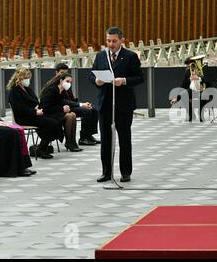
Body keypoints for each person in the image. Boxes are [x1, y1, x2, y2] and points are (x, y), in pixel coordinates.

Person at [89, 27, 144, 183]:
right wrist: (96, 80)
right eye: (108, 41)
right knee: (105, 140)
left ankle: (125, 172)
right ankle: (106, 172)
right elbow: (91, 74)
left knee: (124, 139)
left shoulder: (130, 56)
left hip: (123, 104)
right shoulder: (101, 56)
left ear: (121, 40)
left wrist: (124, 81)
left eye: (114, 41)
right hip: (105, 103)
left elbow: (139, 78)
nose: (111, 44)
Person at [7, 68, 63, 159]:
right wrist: (35, 112)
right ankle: (42, 148)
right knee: (51, 123)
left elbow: (35, 101)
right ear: (19, 78)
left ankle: (41, 147)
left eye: (29, 78)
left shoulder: (27, 89)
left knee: (56, 119)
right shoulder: (14, 92)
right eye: (26, 78)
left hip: (33, 115)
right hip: (23, 118)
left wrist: (38, 109)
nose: (28, 80)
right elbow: (19, 109)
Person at [54, 63, 100, 146]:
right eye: (62, 73)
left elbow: (72, 99)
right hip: (63, 108)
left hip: (71, 105)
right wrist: (81, 105)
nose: (64, 75)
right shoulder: (55, 85)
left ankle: (89, 135)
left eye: (66, 73)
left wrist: (83, 103)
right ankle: (83, 138)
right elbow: (63, 101)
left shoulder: (67, 83)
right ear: (56, 73)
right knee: (86, 111)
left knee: (94, 110)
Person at [39, 72, 83, 152]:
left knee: (72, 114)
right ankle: (69, 142)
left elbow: (61, 103)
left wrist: (65, 107)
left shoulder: (61, 91)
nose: (69, 84)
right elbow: (47, 108)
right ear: (61, 81)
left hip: (55, 112)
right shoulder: (51, 90)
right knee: (69, 116)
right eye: (67, 81)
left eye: (70, 82)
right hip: (47, 113)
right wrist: (62, 109)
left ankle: (72, 142)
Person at [170, 57, 210, 122]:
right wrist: (177, 98)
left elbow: (208, 81)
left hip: (202, 90)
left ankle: (201, 115)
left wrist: (198, 78)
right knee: (183, 94)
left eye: (188, 65)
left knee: (203, 96)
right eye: (187, 65)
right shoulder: (188, 71)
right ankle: (191, 114)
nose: (188, 67)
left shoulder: (203, 70)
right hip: (192, 90)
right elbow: (183, 84)